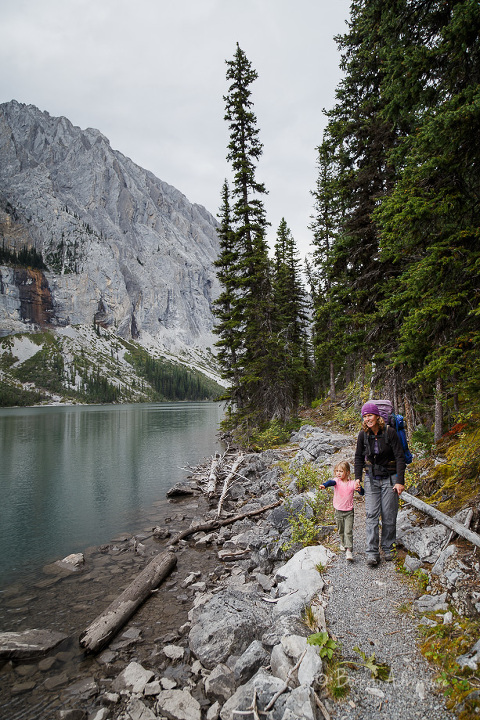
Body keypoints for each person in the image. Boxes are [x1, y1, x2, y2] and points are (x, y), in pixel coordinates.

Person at [354, 401, 406, 566]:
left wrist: (399, 481)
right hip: (371, 479)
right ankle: (372, 552)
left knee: (389, 515)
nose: (367, 419)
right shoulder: (363, 435)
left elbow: (400, 457)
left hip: (390, 479)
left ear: (377, 416)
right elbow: (357, 457)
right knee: (371, 515)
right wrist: (357, 478)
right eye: (365, 416)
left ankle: (388, 548)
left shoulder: (390, 432)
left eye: (370, 415)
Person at [319, 460, 364, 561]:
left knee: (348, 531)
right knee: (341, 530)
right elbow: (331, 482)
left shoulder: (352, 483)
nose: (338, 473)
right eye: (337, 471)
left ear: (347, 472)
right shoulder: (336, 481)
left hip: (349, 512)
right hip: (338, 511)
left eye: (341, 471)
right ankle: (343, 543)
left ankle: (349, 551)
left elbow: (362, 492)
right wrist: (324, 485)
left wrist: (360, 489)